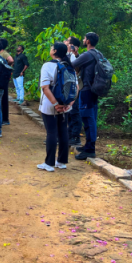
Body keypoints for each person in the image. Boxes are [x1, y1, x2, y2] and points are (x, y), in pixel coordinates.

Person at [37, 42, 73, 172]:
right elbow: (76, 87)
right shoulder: (68, 65)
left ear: (55, 51)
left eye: (51, 48)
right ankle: (61, 161)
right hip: (65, 104)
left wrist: (56, 104)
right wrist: (69, 104)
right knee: (63, 131)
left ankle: (49, 163)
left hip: (50, 105)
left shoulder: (47, 65)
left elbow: (45, 88)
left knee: (51, 132)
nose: (50, 50)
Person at [72, 32, 101, 160]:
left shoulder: (87, 54)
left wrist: (70, 52)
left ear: (88, 41)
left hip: (87, 90)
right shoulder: (98, 53)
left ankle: (90, 149)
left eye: (84, 38)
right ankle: (88, 145)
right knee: (92, 117)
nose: (83, 40)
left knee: (88, 118)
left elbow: (72, 64)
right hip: (94, 90)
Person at [64, 36, 82, 147]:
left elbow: (77, 69)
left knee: (74, 112)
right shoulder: (67, 55)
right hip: (68, 87)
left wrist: (74, 53)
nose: (65, 41)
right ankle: (69, 135)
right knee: (69, 113)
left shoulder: (75, 57)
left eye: (67, 41)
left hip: (74, 88)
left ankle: (75, 137)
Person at [0, 38, 14, 126]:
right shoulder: (0, 53)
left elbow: (11, 60)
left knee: (3, 98)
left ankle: (5, 119)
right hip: (1, 77)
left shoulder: (3, 53)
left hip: (3, 78)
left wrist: (6, 67)